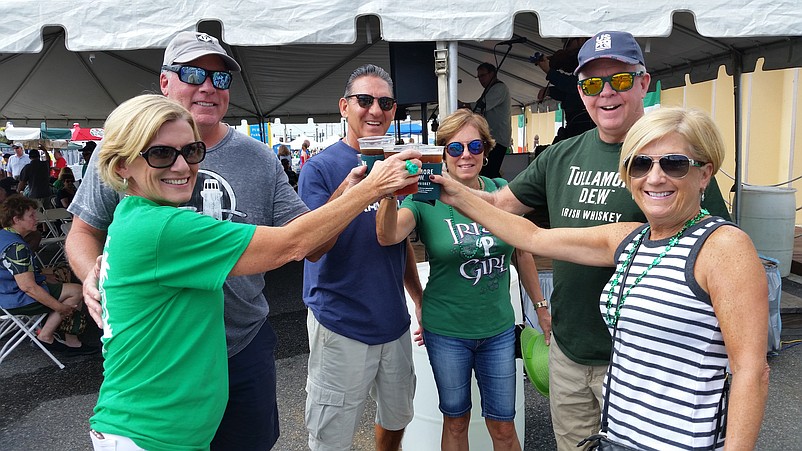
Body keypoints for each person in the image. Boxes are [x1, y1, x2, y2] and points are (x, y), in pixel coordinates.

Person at [88, 94, 418, 451]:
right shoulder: (164, 228)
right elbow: (292, 244)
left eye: (192, 151)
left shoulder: (137, 216)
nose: (182, 166)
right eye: (161, 154)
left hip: (159, 427)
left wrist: (346, 192)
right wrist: (374, 185)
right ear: (122, 165)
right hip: (152, 434)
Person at [454, 31, 733, 451]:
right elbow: (501, 206)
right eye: (590, 83)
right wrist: (437, 185)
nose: (605, 93)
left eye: (619, 80)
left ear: (643, 83)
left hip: (640, 360)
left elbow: (718, 258)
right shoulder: (562, 153)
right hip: (570, 350)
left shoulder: (673, 159)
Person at [68, 31, 316, 450]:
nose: (208, 86)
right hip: (166, 355)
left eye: (220, 79)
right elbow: (82, 232)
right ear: (164, 81)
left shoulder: (258, 156)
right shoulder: (126, 147)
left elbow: (303, 237)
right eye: (193, 73)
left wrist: (345, 203)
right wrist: (92, 278)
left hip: (242, 342)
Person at [376, 109, 549, 451]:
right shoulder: (426, 193)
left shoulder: (501, 192)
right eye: (454, 148)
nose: (465, 155)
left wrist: (541, 306)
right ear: (442, 153)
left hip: (498, 330)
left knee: (502, 425)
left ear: (486, 151)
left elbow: (523, 251)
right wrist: (387, 193)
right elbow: (388, 235)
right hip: (447, 331)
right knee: (455, 422)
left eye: (474, 146)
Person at [298, 63, 422, 451]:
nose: (375, 110)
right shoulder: (320, 168)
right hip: (340, 322)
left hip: (392, 321)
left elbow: (396, 241)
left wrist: (418, 297)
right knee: (331, 433)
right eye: (364, 100)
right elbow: (313, 247)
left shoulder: (400, 164)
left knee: (398, 415)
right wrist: (355, 193)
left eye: (385, 103)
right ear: (343, 107)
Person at [0, 195, 92, 354]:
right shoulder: (16, 247)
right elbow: (28, 287)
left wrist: (44, 276)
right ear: (16, 220)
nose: (36, 219)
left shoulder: (4, 236)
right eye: (31, 216)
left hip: (6, 293)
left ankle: (62, 331)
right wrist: (60, 308)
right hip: (17, 299)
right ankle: (48, 336)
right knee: (77, 290)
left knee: (62, 273)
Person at [533, 37, 595, 143]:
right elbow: (571, 94)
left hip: (583, 120)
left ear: (581, 39)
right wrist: (550, 91)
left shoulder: (590, 61)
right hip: (574, 119)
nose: (566, 47)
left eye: (569, 42)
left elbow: (574, 86)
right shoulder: (578, 63)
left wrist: (550, 72)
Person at [460, 63, 511, 179]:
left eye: (483, 76)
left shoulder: (499, 88)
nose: (480, 80)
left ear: (492, 74)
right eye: (479, 77)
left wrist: (463, 105)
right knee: (488, 171)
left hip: (498, 138)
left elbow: (482, 106)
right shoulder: (491, 89)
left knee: (490, 172)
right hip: (492, 138)